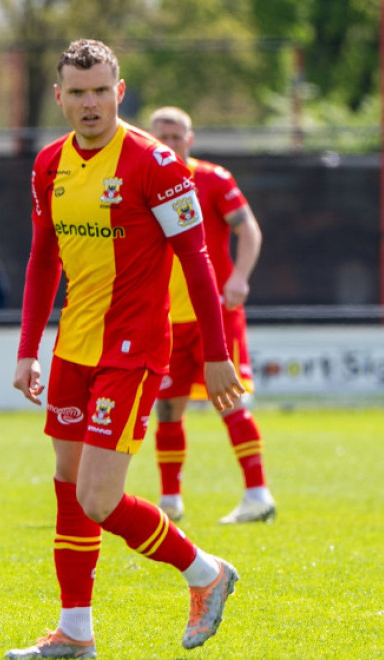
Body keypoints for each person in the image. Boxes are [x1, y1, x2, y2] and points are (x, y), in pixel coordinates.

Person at [8, 39, 244, 659]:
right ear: (59, 95)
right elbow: (43, 259)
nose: (90, 103)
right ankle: (75, 633)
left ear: (120, 89)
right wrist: (28, 348)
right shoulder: (49, 162)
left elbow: (197, 262)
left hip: (134, 347)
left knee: (98, 497)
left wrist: (217, 350)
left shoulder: (157, 162)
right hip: (73, 345)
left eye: (101, 90)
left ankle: (205, 572)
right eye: (77, 92)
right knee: (66, 482)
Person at [147, 106, 274, 525]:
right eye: (160, 135)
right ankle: (170, 502)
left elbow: (249, 229)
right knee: (166, 408)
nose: (168, 142)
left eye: (176, 135)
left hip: (214, 315)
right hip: (165, 321)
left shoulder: (213, 179)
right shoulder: (140, 183)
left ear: (190, 139)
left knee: (230, 401)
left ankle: (258, 495)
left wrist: (239, 277)